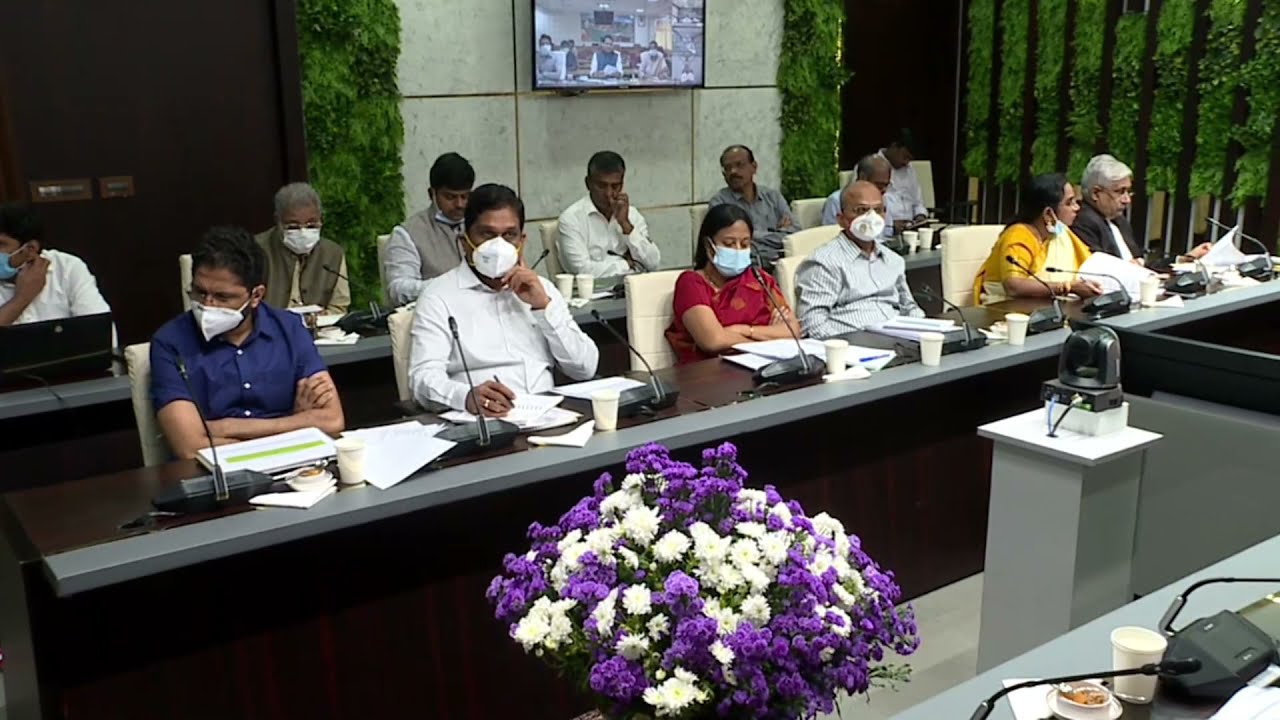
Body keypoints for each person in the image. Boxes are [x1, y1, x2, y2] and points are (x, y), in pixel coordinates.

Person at [150, 226, 345, 460]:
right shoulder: (170, 343)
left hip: (296, 467)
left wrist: (225, 427)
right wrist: (297, 424)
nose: (208, 305)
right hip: (216, 478)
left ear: (256, 296)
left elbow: (333, 421)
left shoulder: (290, 329)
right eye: (200, 292)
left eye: (223, 297)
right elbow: (191, 447)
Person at [407, 184, 598, 415]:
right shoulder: (439, 297)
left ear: (522, 241)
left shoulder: (542, 289)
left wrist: (543, 307)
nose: (498, 246)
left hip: (549, 416)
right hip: (484, 423)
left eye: (509, 235)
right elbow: (422, 378)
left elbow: (585, 368)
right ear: (464, 240)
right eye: (487, 234)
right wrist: (465, 397)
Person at [665, 205, 800, 365]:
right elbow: (713, 340)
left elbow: (792, 331)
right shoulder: (691, 284)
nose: (737, 250)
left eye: (744, 244)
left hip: (765, 368)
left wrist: (743, 330)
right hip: (709, 375)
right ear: (709, 246)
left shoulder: (759, 280)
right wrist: (768, 341)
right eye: (729, 244)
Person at [796, 181, 924, 339]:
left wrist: (926, 332)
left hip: (900, 342)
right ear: (841, 219)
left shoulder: (893, 259)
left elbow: (909, 307)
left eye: (877, 210)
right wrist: (849, 346)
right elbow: (812, 326)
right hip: (854, 348)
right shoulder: (824, 263)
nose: (871, 217)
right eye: (861, 210)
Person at [972, 173, 1102, 304]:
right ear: (1048, 214)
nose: (1077, 207)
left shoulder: (1060, 234)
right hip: (1006, 312)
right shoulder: (1018, 236)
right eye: (1069, 203)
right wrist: (1067, 287)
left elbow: (1086, 261)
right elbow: (1013, 286)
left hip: (1048, 310)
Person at [1073, 154, 1211, 264]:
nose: (1127, 199)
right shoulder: (1082, 222)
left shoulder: (1119, 221)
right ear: (1096, 193)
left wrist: (1185, 259)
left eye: (1128, 191)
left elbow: (1141, 264)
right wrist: (1129, 268)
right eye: (1120, 192)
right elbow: (1098, 270)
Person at [385, 152, 475, 306]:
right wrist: (450, 285)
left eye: (465, 196)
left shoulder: (481, 224)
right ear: (431, 194)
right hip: (435, 315)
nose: (460, 204)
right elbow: (398, 289)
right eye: (450, 197)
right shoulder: (407, 234)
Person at [0, 202, 111, 327]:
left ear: (30, 249)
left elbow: (100, 328)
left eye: (1, 244)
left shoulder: (67, 267)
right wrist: (22, 298)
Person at [557, 151, 661, 277]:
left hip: (633, 290)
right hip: (592, 294)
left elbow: (653, 263)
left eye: (615, 186)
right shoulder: (571, 219)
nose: (608, 193)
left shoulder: (632, 215)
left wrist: (626, 225)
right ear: (588, 184)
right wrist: (626, 264)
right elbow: (582, 271)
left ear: (622, 185)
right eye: (601, 186)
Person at [254, 183, 350, 315]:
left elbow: (339, 307)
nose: (303, 232)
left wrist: (325, 316)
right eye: (293, 226)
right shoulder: (256, 250)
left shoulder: (333, 253)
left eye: (311, 225)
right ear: (278, 221)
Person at [708, 145, 797, 268]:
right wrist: (777, 233)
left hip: (782, 264)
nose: (733, 171)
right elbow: (732, 242)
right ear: (724, 174)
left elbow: (795, 233)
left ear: (754, 167)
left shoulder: (773, 197)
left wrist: (754, 236)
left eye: (740, 165)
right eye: (728, 168)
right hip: (745, 268)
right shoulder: (720, 202)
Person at [821, 155, 895, 234]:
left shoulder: (883, 198)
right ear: (863, 177)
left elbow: (887, 232)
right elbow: (830, 235)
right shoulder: (836, 200)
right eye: (879, 185)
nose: (884, 190)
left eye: (886, 185)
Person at [881, 134, 929, 232]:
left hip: (910, 228)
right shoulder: (872, 167)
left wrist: (920, 216)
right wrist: (890, 224)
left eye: (909, 159)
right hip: (885, 231)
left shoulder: (909, 170)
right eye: (905, 157)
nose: (906, 162)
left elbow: (918, 202)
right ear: (894, 147)